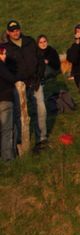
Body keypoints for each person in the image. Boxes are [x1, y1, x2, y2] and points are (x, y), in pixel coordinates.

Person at [4, 20, 48, 152]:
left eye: (17, 29)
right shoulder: (5, 47)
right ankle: (21, 142)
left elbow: (40, 60)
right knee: (20, 114)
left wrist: (38, 76)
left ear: (20, 29)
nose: (15, 32)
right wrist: (15, 81)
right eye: (12, 30)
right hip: (19, 85)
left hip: (35, 81)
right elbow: (4, 68)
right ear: (8, 32)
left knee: (41, 109)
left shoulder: (30, 41)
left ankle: (42, 138)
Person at [0, 46, 16, 161]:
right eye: (2, 53)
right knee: (7, 130)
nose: (4, 56)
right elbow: (11, 78)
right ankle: (8, 158)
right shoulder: (1, 65)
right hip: (4, 99)